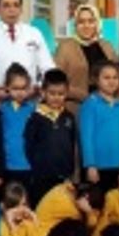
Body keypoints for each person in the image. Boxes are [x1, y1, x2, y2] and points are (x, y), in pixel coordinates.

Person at [24, 69, 79, 201]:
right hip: (41, 175)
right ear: (43, 92)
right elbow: (29, 144)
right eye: (52, 93)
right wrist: (36, 166)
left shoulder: (69, 117)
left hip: (64, 174)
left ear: (67, 93)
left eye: (61, 94)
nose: (56, 97)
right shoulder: (35, 117)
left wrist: (71, 170)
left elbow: (72, 144)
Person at [79, 62, 119, 189]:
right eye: (106, 78)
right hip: (100, 166)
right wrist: (90, 165)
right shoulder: (90, 104)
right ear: (96, 80)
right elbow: (86, 138)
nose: (111, 81)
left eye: (115, 77)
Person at [53, 4, 118, 107]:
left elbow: (118, 75)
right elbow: (56, 80)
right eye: (81, 22)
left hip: (107, 105)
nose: (86, 26)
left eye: (91, 21)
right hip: (76, 107)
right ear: (75, 25)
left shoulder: (106, 46)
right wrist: (85, 96)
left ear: (97, 23)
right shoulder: (65, 47)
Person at [0, 63, 37, 194]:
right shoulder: (1, 109)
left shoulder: (34, 109)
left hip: (29, 166)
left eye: (23, 88)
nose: (20, 92)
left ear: (29, 88)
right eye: (15, 88)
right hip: (7, 166)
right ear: (7, 87)